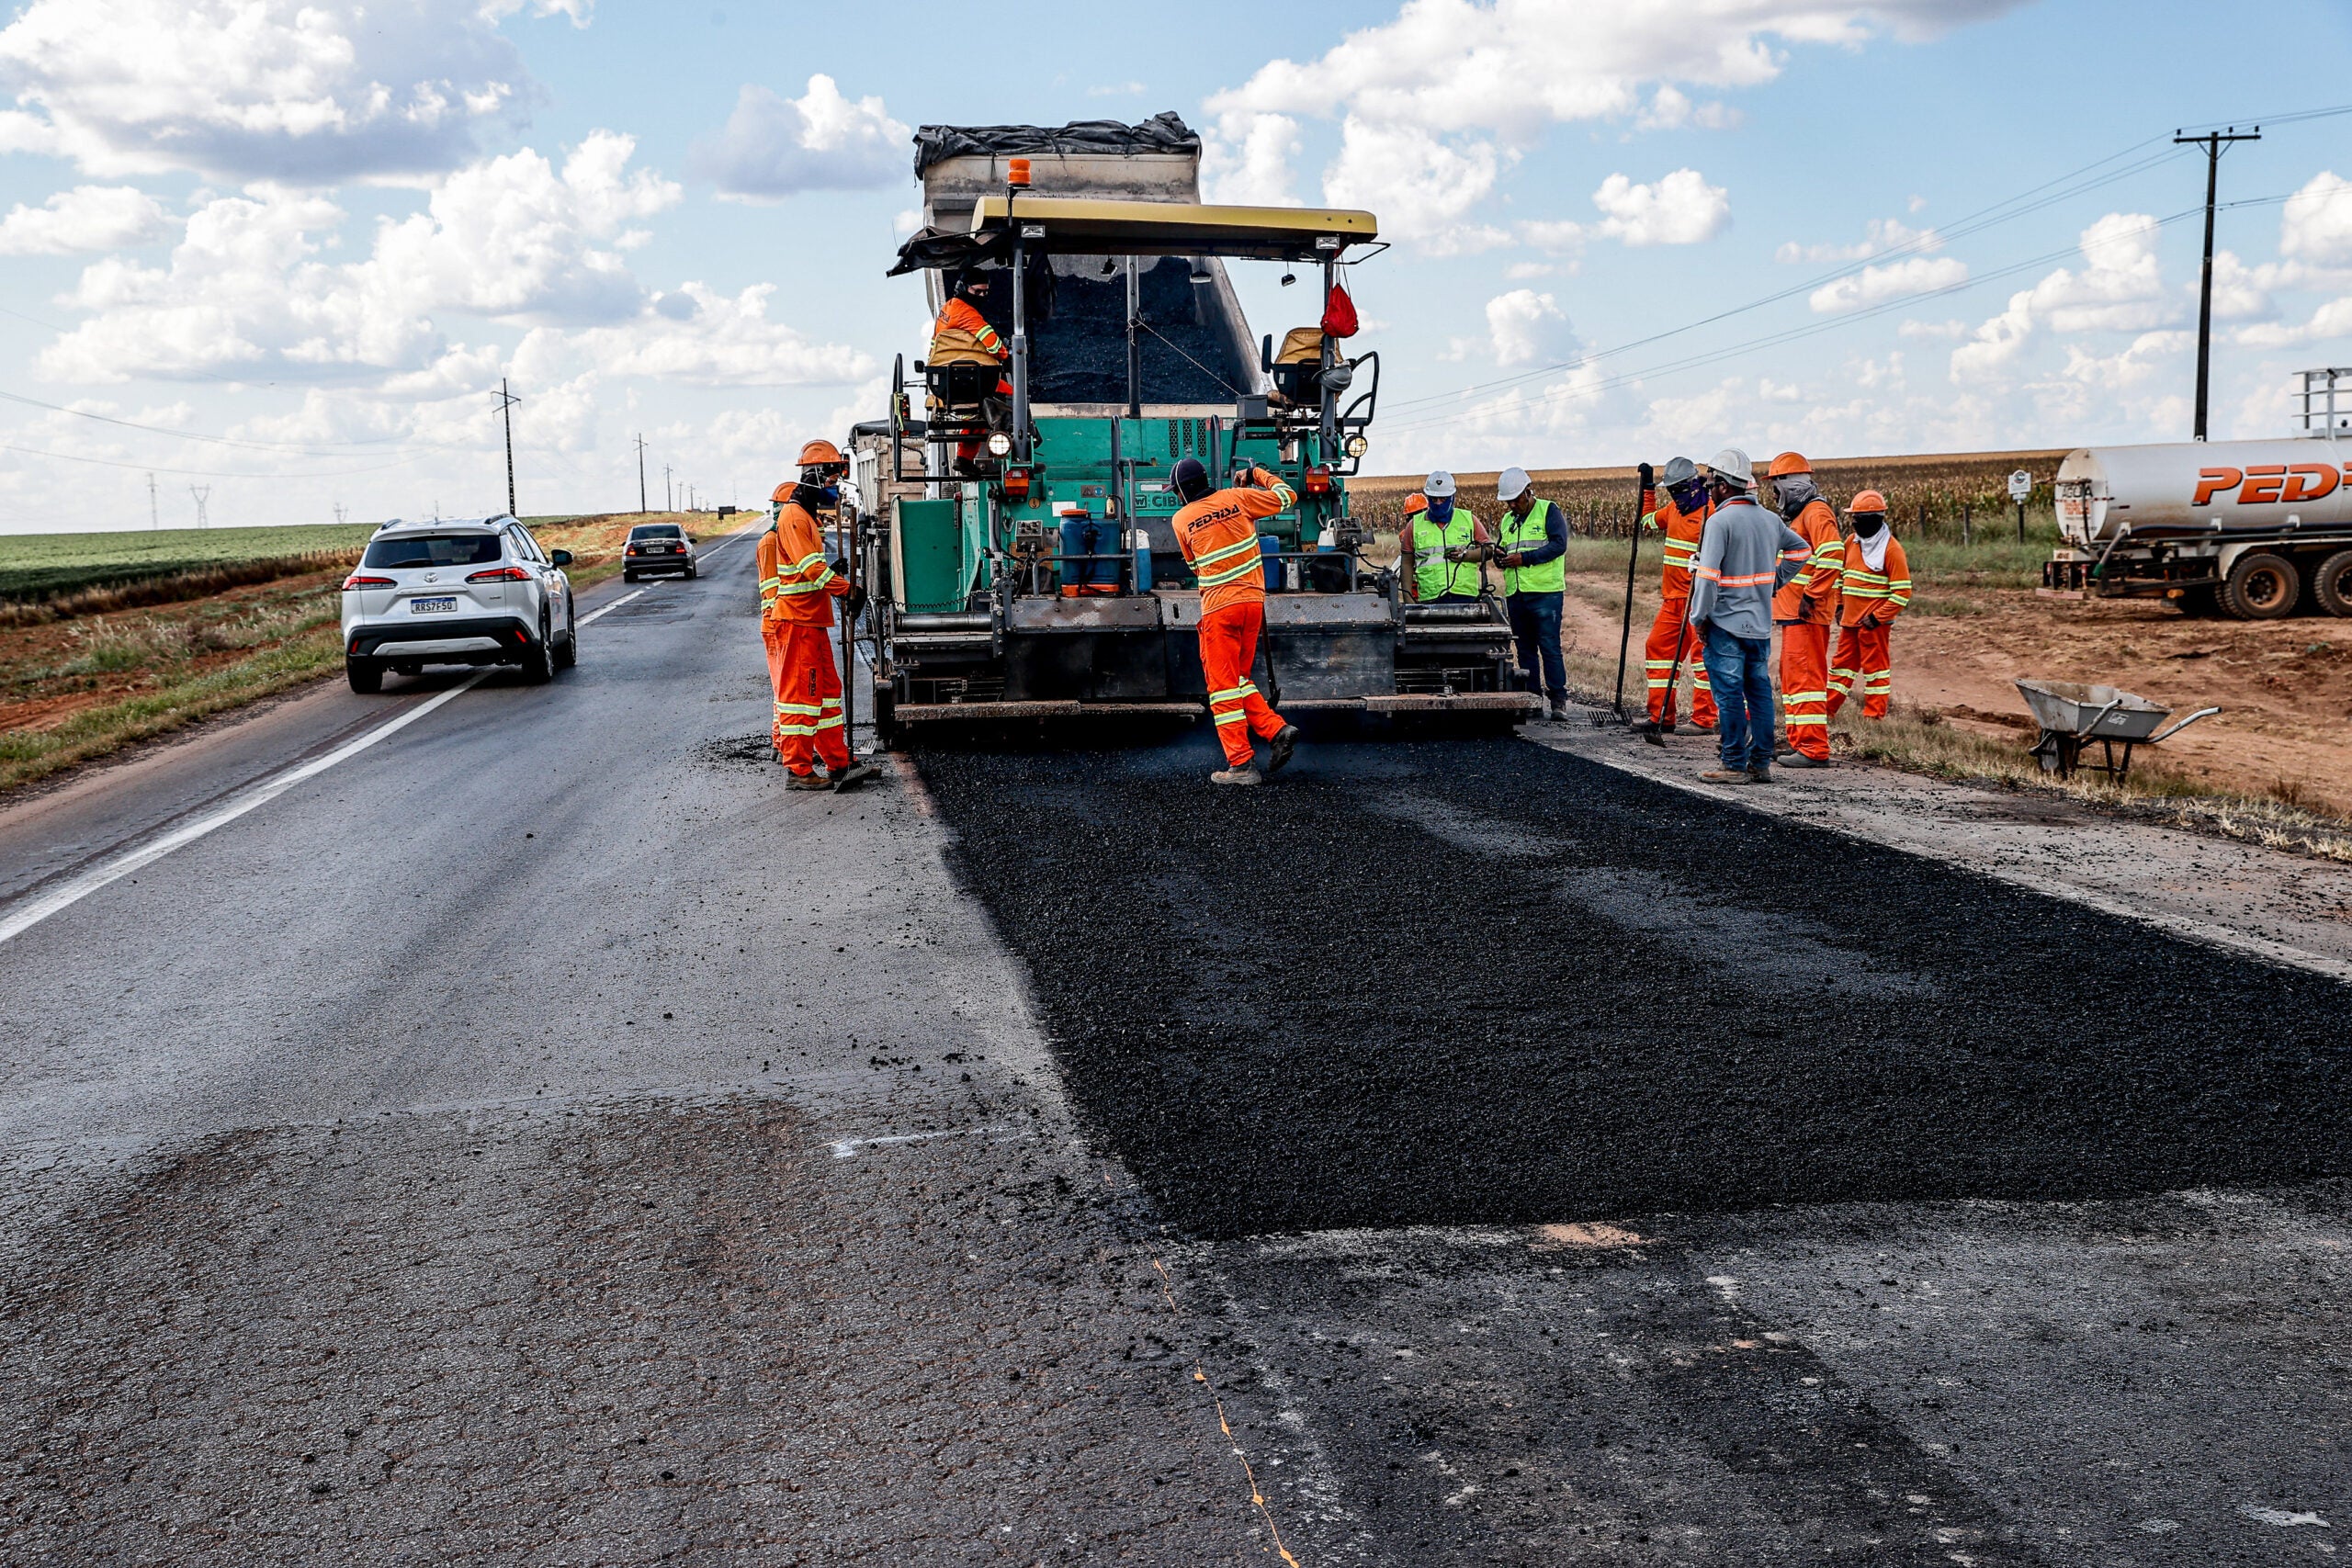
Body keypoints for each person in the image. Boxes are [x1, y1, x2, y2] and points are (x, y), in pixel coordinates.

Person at [1171, 457, 1301, 785]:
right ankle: (1276, 730)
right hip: (1253, 604)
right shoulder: (1237, 497)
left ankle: (1241, 765)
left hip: (1219, 610)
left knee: (1222, 689)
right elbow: (1288, 497)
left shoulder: (1182, 519)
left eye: (1176, 492)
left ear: (1184, 492)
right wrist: (1256, 473)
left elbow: (1195, 567)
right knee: (1240, 678)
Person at [758, 439, 877, 792]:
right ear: (812, 475)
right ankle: (798, 770)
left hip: (812, 621)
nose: (833, 487)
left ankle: (839, 762)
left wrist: (837, 578)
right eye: (829, 478)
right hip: (796, 623)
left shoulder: (806, 516)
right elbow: (811, 569)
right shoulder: (794, 517)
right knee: (801, 698)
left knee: (828, 693)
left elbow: (813, 567)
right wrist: (847, 589)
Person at [1687, 449, 1809, 785]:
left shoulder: (1720, 521)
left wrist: (1699, 618)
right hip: (1759, 626)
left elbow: (1708, 578)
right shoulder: (1770, 520)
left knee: (1728, 695)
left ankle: (1733, 764)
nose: (1709, 489)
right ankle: (1760, 764)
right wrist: (1774, 582)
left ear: (1725, 486)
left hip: (1725, 625)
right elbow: (1801, 551)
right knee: (1758, 695)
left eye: (1712, 483)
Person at [1763, 452, 1847, 768]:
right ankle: (1799, 741)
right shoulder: (1802, 516)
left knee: (1806, 680)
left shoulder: (1816, 512)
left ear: (1790, 485)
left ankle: (1813, 748)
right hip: (1793, 615)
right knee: (1793, 679)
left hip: (1806, 614)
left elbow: (1833, 555)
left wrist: (1811, 596)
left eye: (1776, 486)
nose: (1773, 494)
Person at [1634, 455, 1716, 741]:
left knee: (1703, 659)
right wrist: (1647, 488)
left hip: (1700, 599)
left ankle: (1705, 719)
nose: (1677, 496)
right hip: (1673, 602)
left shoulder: (1712, 513)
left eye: (1680, 490)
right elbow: (1646, 522)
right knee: (1658, 648)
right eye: (1672, 491)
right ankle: (1661, 717)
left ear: (1695, 484)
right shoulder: (1672, 510)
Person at [1826, 489, 1912, 721]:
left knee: (1876, 672)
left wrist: (1877, 618)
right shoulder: (1851, 543)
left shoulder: (1892, 549)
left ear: (1875, 519)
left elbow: (1902, 592)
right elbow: (1841, 577)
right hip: (1850, 622)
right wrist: (1840, 606)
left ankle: (1873, 717)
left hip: (1874, 626)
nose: (1853, 522)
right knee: (1840, 668)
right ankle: (1827, 711)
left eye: (1858, 518)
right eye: (1853, 518)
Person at [1495, 466, 1569, 720]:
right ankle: (1533, 699)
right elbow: (1502, 548)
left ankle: (1558, 700)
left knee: (1549, 646)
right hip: (1517, 593)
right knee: (1524, 649)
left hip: (1545, 592)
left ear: (1528, 491)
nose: (1513, 505)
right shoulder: (1507, 520)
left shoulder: (1549, 510)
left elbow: (1559, 545)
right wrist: (1500, 557)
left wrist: (1525, 559)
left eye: (1516, 499)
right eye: (1509, 502)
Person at [927, 271, 1010, 472]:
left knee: (983, 409)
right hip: (969, 381)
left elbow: (935, 343)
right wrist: (1005, 351)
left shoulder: (947, 309)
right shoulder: (968, 314)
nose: (982, 297)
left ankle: (963, 458)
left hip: (944, 383)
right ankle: (1012, 447)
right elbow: (997, 349)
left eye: (985, 293)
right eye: (978, 292)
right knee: (1010, 397)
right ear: (964, 288)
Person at [1402, 469, 1483, 603]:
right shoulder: (1414, 525)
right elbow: (1406, 562)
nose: (1438, 503)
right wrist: (1408, 599)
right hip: (1430, 597)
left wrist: (1467, 555)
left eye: (1443, 499)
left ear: (1452, 497)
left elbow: (1488, 550)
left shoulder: (1469, 519)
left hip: (1465, 596)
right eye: (1434, 499)